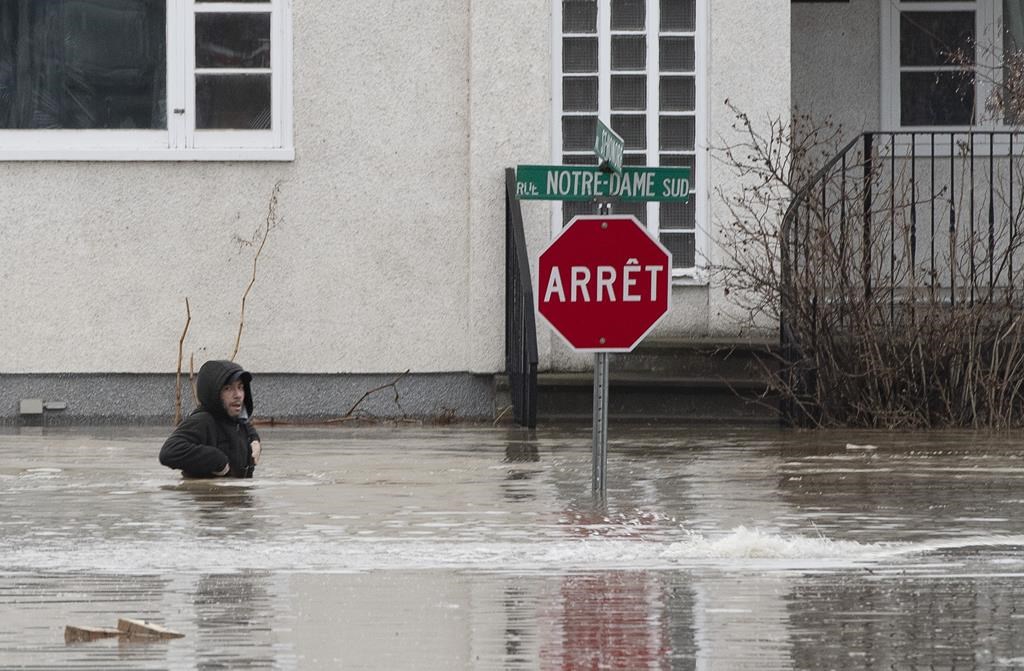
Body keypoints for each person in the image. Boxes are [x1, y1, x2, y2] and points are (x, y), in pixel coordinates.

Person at [160, 359, 262, 478]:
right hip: (208, 495)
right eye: (228, 389)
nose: (238, 395)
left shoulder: (239, 421)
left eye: (240, 387)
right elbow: (169, 452)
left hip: (237, 493)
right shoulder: (203, 421)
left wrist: (255, 440)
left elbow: (247, 426)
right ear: (214, 393)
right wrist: (218, 461)